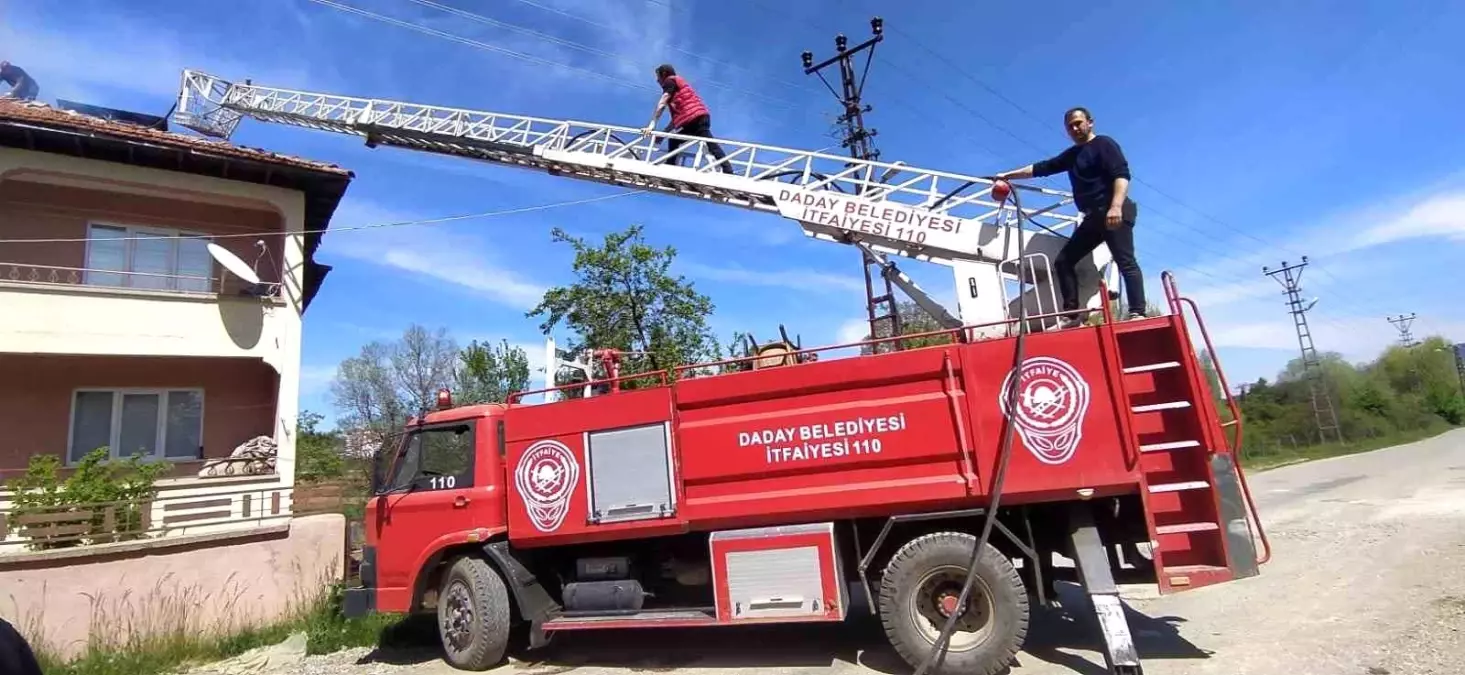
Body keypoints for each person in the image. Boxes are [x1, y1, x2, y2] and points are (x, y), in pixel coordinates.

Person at [995, 106, 1145, 326]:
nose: (1075, 128)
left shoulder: (1104, 144)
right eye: (1070, 126)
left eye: (1078, 123)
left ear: (1090, 122)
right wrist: (1008, 175)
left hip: (1113, 210)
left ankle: (1137, 312)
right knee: (1064, 261)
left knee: (1126, 262)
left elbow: (1121, 175)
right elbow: (1042, 168)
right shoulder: (1073, 155)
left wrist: (1116, 206)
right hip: (1093, 218)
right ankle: (1072, 313)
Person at [642, 64, 733, 174]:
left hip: (695, 120)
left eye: (658, 77)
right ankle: (670, 166)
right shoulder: (679, 89)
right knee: (676, 140)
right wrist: (663, 134)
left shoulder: (670, 81)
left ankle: (727, 170)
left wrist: (651, 125)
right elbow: (676, 120)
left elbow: (662, 103)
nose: (657, 81)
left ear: (664, 74)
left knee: (709, 144)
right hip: (698, 118)